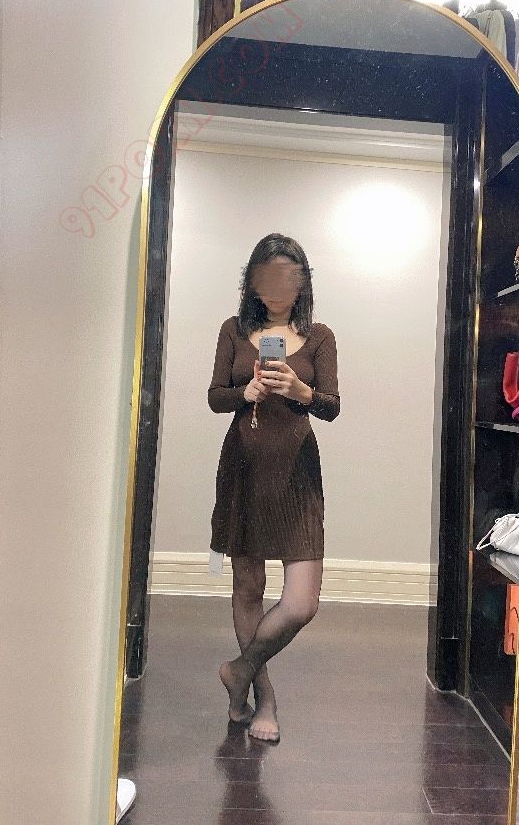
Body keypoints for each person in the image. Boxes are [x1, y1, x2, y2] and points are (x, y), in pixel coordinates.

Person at [207, 233, 340, 743]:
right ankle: (263, 697)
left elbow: (331, 406)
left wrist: (302, 391)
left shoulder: (320, 336)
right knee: (248, 587)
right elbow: (215, 397)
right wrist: (245, 391)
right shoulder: (234, 330)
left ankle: (238, 670)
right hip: (243, 465)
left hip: (297, 471)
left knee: (302, 602)